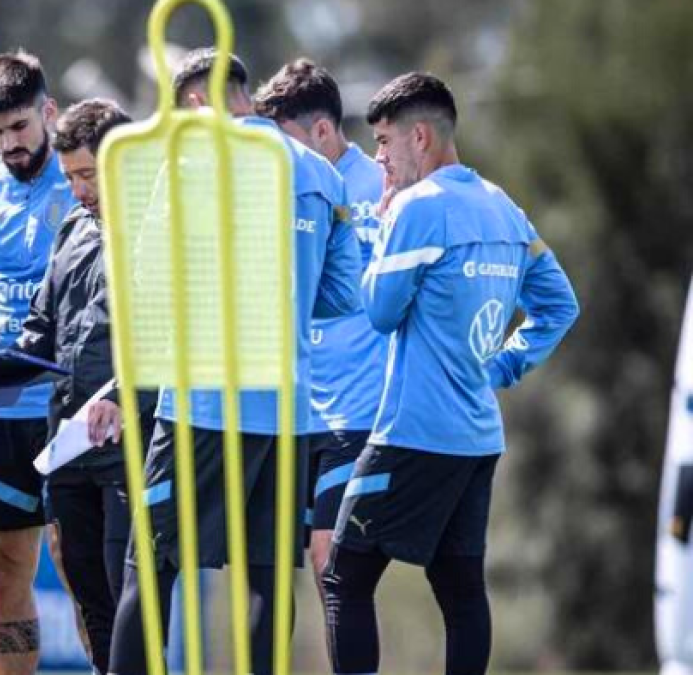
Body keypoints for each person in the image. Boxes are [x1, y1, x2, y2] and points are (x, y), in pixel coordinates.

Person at [108, 48, 361, 675]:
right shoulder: (322, 175)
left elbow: (147, 276)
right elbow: (341, 295)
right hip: (288, 412)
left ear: (195, 104)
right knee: (268, 582)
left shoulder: (193, 159)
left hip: (203, 402)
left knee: (151, 563)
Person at [322, 72, 580, 675]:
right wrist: (507, 364)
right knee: (461, 590)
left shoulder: (415, 209)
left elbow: (381, 313)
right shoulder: (503, 207)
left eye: (384, 142)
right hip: (478, 439)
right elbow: (559, 305)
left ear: (420, 137)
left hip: (411, 436)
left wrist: (382, 228)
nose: (379, 159)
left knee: (344, 577)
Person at [10, 98, 153, 675]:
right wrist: (0, 368)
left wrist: (121, 395)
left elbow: (164, 334)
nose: (79, 189)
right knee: (85, 585)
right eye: (69, 177)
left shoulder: (154, 226)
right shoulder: (72, 225)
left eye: (88, 175)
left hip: (131, 444)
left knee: (130, 594)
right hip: (67, 443)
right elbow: (43, 323)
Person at [0, 50, 78, 675]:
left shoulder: (84, 181)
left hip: (71, 406)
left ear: (47, 112)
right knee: (5, 567)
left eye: (21, 127)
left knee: (82, 567)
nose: (10, 143)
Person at [253, 58, 385, 594]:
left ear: (324, 130)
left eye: (288, 141)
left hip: (354, 411)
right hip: (287, 410)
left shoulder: (382, 186)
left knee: (332, 562)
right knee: (269, 567)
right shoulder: (280, 188)